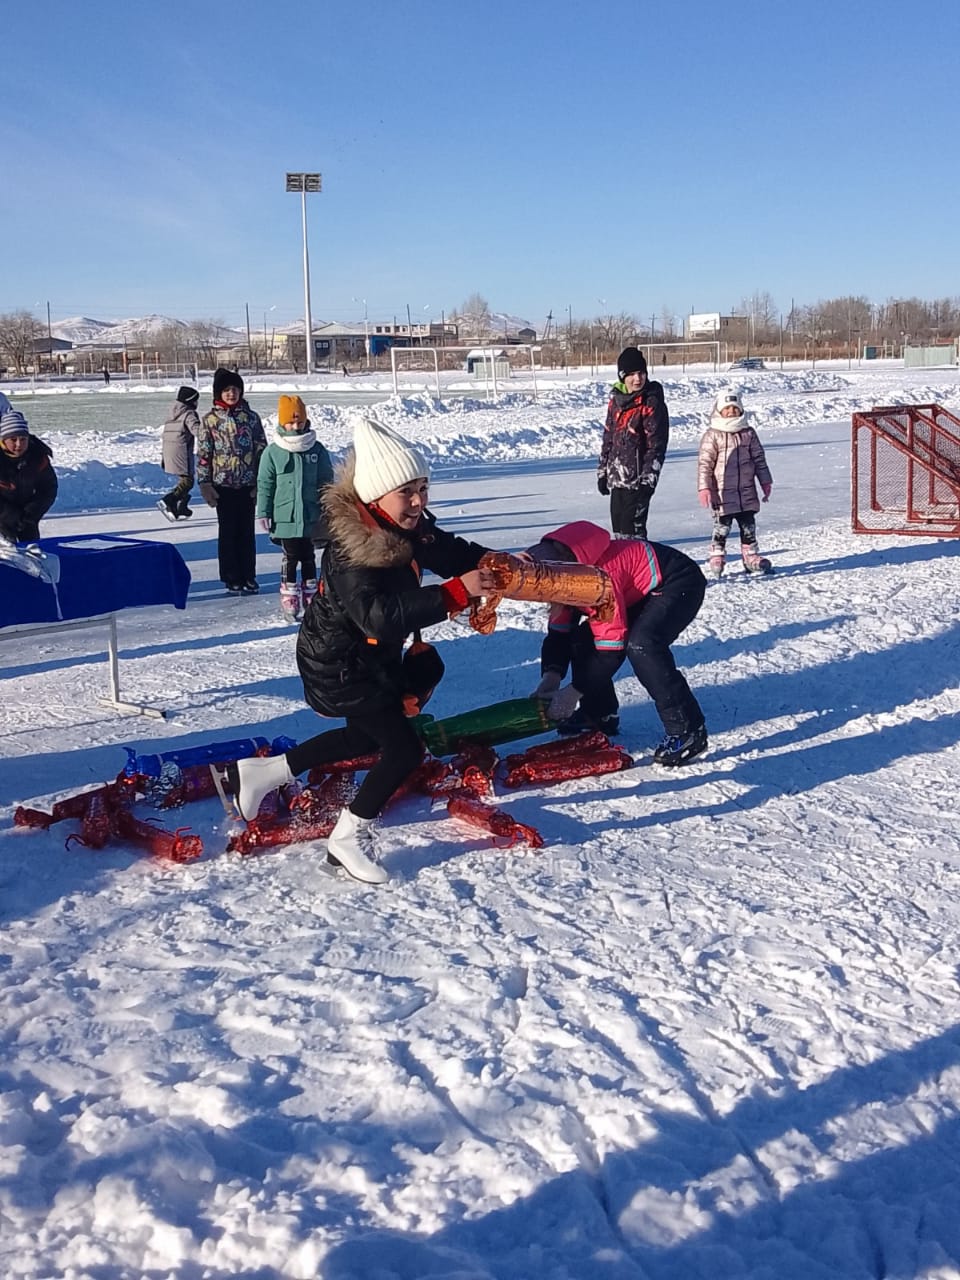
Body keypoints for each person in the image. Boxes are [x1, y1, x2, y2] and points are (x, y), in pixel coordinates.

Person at [232, 416, 496, 883]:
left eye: (422, 488)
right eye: (406, 492)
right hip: (338, 667)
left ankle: (264, 774)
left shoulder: (405, 524)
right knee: (403, 750)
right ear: (376, 497)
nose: (417, 501)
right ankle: (347, 839)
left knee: (364, 737)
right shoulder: (353, 552)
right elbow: (379, 615)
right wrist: (455, 593)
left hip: (369, 661)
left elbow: (448, 551)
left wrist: (494, 564)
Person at [526, 520, 708, 767]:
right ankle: (600, 714)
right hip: (638, 590)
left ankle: (688, 730)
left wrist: (573, 692)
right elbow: (559, 635)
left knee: (643, 644)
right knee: (582, 640)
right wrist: (551, 676)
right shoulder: (563, 582)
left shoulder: (599, 582)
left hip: (678, 581)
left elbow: (611, 651)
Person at [256, 394, 334, 622]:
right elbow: (265, 483)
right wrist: (264, 510)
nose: (295, 427)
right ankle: (289, 592)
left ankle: (311, 591)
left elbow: (326, 481)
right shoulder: (273, 452)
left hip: (311, 515)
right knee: (291, 556)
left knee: (308, 555)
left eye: (299, 422)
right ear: (282, 422)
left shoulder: (316, 449)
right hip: (285, 516)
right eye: (290, 422)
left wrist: (329, 508)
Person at [196, 368, 267, 595]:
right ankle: (231, 576)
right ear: (219, 392)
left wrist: (261, 482)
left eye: (235, 389)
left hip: (247, 484)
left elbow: (261, 451)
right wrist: (204, 484)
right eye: (226, 389)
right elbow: (204, 454)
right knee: (228, 532)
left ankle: (248, 575)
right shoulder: (210, 421)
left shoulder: (251, 418)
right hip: (222, 486)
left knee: (246, 532)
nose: (231, 393)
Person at [697, 389, 773, 578]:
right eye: (727, 408)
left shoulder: (748, 433)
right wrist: (704, 487)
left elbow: (759, 459)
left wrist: (765, 481)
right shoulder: (713, 434)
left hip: (746, 491)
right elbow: (704, 464)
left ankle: (750, 556)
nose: (731, 412)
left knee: (748, 524)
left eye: (735, 408)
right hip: (722, 493)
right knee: (722, 526)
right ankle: (717, 555)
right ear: (719, 410)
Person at [597, 346, 669, 540]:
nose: (638, 379)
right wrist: (603, 471)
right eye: (632, 374)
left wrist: (648, 480)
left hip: (638, 483)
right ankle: (624, 570)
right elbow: (608, 438)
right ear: (622, 376)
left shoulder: (651, 403)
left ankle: (641, 568)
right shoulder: (616, 401)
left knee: (634, 535)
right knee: (619, 532)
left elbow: (656, 446)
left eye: (641, 373)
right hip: (617, 479)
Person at [0, 409, 58, 545]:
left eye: (23, 439)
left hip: (27, 519)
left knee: (32, 553)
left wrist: (31, 514)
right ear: (3, 440)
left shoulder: (38, 457)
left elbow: (48, 489)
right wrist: (9, 515)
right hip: (2, 516)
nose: (19, 444)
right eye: (13, 440)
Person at [158, 385, 200, 521]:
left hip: (169, 452)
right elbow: (197, 430)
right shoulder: (189, 414)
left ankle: (180, 507)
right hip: (181, 451)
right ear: (190, 401)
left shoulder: (173, 413)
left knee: (185, 479)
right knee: (188, 481)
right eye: (195, 400)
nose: (197, 404)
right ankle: (170, 500)